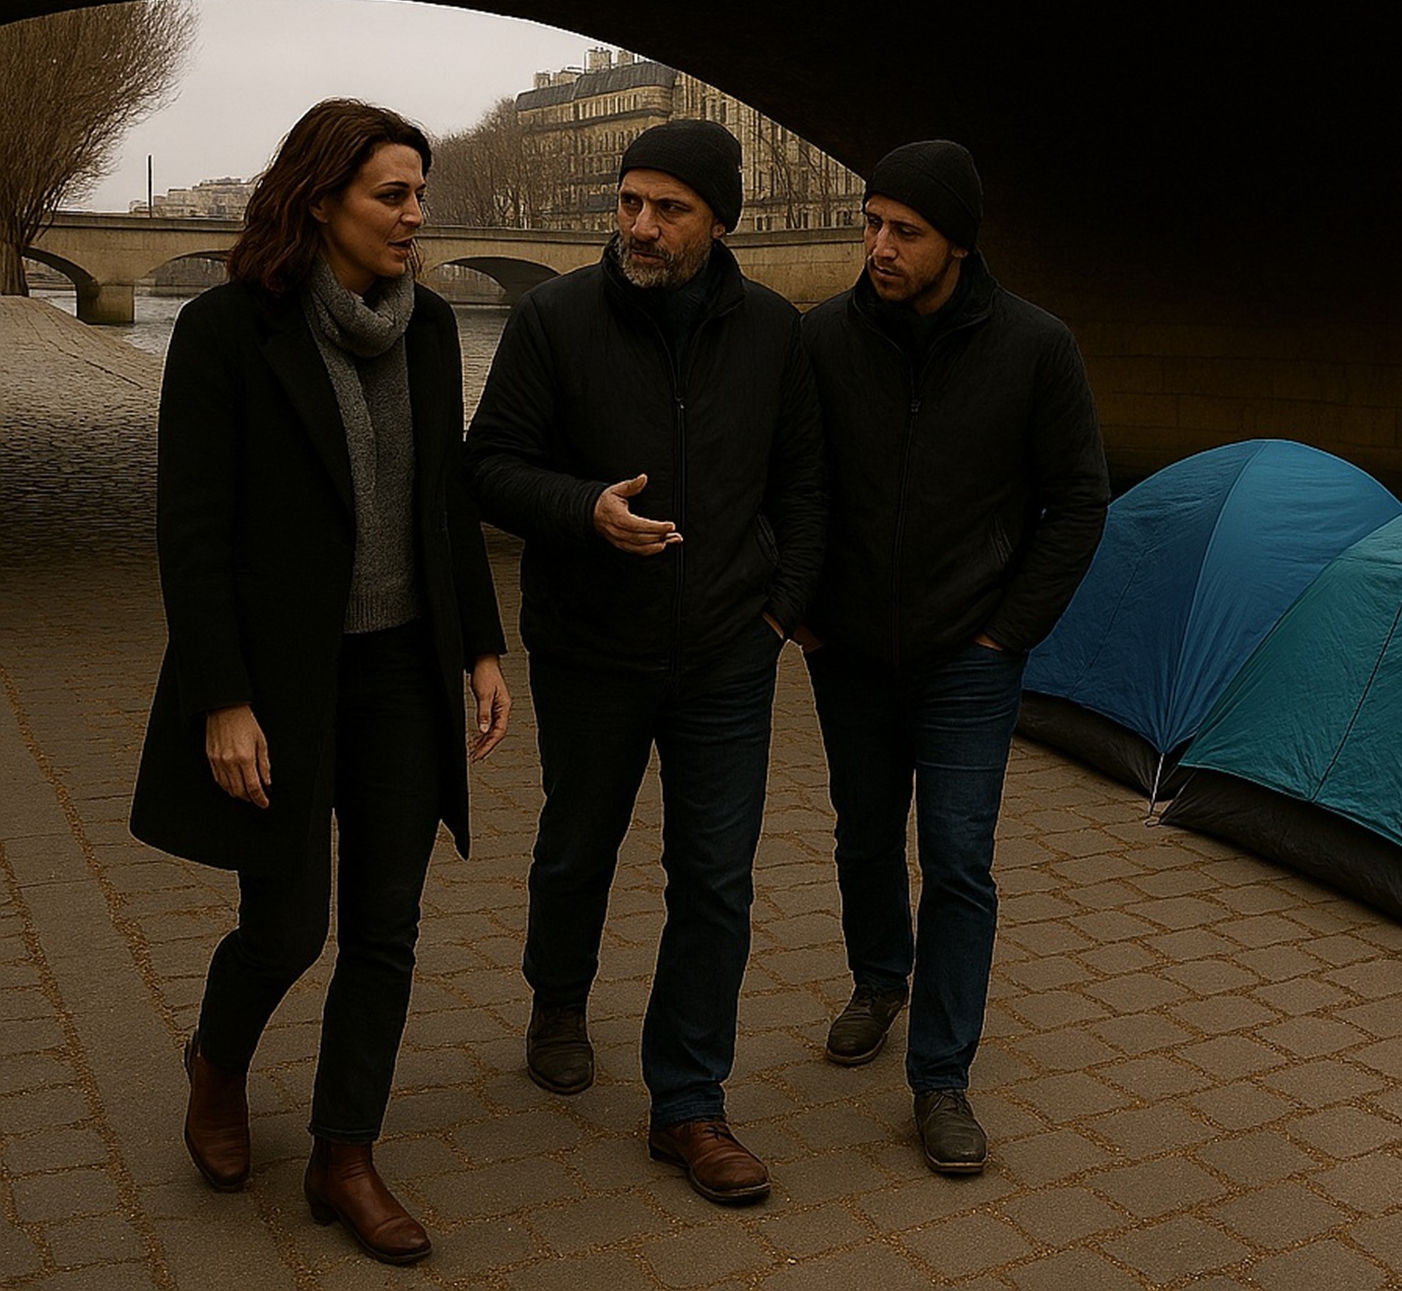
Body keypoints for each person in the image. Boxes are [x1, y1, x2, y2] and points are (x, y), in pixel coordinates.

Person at [132, 99, 511, 1267]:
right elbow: (193, 530)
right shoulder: (226, 329)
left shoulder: (431, 326)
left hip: (402, 668)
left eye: (419, 194)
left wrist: (481, 647)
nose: (415, 215)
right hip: (284, 679)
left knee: (386, 925)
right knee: (288, 925)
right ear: (319, 198)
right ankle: (218, 1060)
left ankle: (345, 1154)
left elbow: (444, 498)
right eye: (393, 194)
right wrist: (222, 697)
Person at [464, 118, 823, 1204]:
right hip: (589, 648)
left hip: (727, 655)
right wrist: (584, 509)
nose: (642, 226)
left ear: (721, 221)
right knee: (578, 845)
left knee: (714, 877)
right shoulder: (555, 318)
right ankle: (558, 1000)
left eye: (670, 208)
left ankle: (690, 1103)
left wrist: (777, 615)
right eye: (630, 201)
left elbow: (807, 487)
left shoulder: (774, 332)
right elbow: (488, 467)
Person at [796, 138, 1108, 1175]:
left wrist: (1004, 631)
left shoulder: (1036, 347)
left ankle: (941, 1079)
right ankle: (879, 978)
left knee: (960, 859)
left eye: (906, 231)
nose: (879, 247)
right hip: (848, 647)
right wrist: (803, 616)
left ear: (960, 245)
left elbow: (1079, 503)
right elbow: (787, 483)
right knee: (862, 832)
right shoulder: (825, 338)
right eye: (871, 223)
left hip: (971, 655)